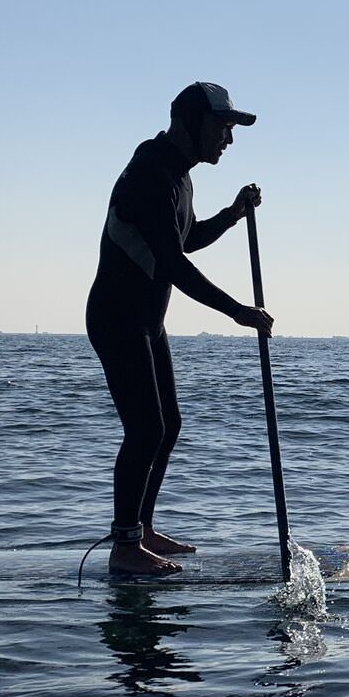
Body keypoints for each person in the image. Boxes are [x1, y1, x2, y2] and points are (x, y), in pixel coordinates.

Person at [86, 81, 273, 577]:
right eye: (223, 126)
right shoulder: (152, 172)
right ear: (191, 123)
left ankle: (141, 529)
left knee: (167, 427)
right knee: (145, 430)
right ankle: (124, 547)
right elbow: (173, 264)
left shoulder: (178, 175)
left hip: (147, 320)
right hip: (117, 317)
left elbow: (185, 239)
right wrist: (237, 312)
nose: (229, 138)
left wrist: (231, 215)